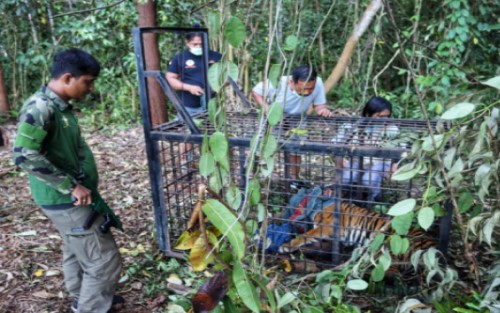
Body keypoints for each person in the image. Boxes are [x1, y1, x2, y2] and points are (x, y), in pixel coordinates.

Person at [12, 49, 123, 313]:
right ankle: (91, 307)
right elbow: (23, 155)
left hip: (67, 198)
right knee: (104, 260)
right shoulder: (41, 107)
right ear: (67, 78)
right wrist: (71, 186)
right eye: (87, 81)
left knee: (76, 248)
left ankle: (82, 298)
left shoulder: (59, 107)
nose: (90, 88)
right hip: (65, 199)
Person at [252, 65, 334, 182]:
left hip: (297, 118)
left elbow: (319, 105)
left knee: (296, 150)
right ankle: (257, 176)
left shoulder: (318, 83)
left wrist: (322, 110)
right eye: (303, 88)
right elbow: (256, 91)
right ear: (292, 82)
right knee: (263, 147)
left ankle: (294, 179)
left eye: (311, 89)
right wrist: (267, 109)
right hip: (274, 116)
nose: (307, 92)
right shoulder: (278, 83)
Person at [166, 30, 222, 168]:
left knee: (213, 133)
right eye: (194, 44)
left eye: (201, 44)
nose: (198, 47)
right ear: (188, 43)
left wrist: (217, 87)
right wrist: (188, 87)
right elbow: (170, 79)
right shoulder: (180, 58)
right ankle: (186, 163)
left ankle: (213, 164)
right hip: (189, 104)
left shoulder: (216, 56)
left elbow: (227, 76)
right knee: (187, 135)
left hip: (212, 105)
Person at [332, 96, 399, 203]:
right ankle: (353, 198)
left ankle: (374, 199)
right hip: (356, 160)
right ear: (368, 114)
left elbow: (400, 150)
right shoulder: (352, 125)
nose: (384, 120)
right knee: (346, 179)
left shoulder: (392, 129)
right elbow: (336, 144)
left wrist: (394, 165)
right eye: (379, 116)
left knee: (369, 180)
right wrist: (339, 159)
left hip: (380, 162)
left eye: (386, 116)